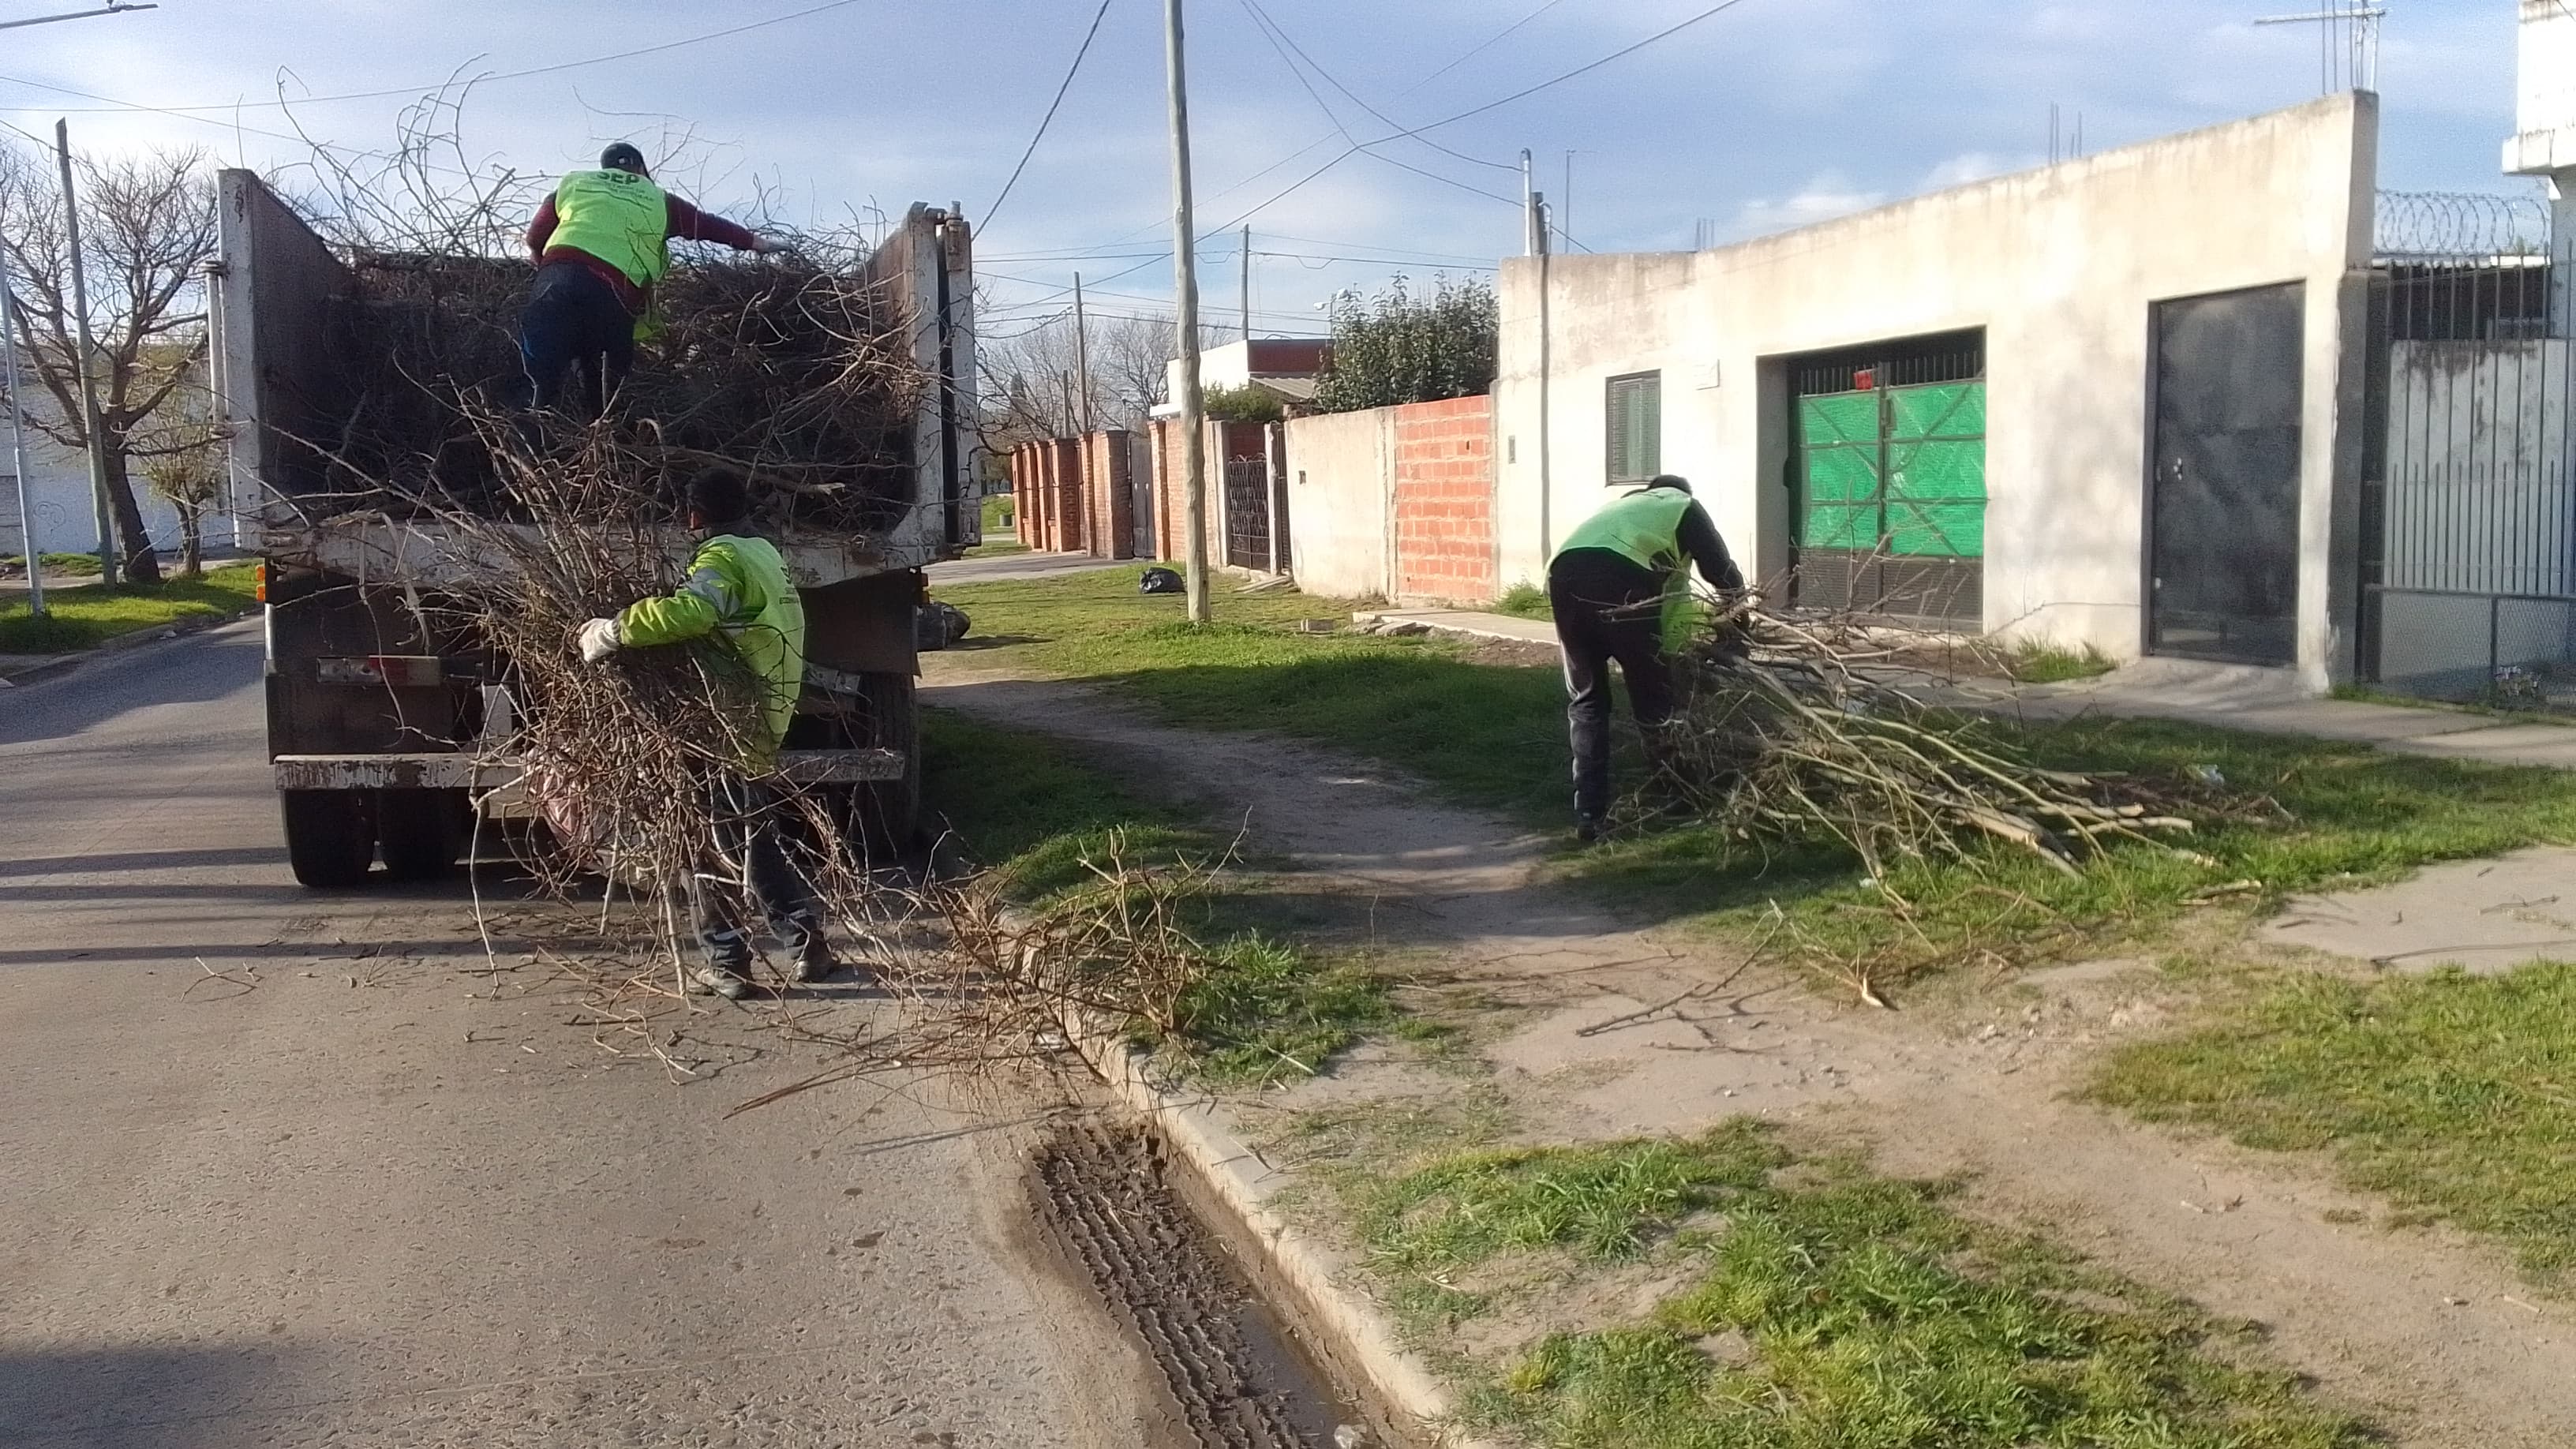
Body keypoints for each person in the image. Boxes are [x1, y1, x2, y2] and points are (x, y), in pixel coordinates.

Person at [576, 467, 837, 998]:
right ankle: (808, 945)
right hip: (762, 709)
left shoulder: (721, 557)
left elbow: (694, 611)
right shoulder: (762, 553)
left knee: (709, 843)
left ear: (694, 516)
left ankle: (726, 960)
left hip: (728, 715)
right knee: (751, 840)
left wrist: (615, 630)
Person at [1548, 474, 1743, 843]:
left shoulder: (1622, 509)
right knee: (1653, 698)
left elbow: (1672, 605)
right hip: (1621, 580)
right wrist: (1737, 632)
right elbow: (1724, 575)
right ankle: (1679, 795)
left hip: (1563, 576)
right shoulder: (1682, 505)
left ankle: (1590, 812)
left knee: (1587, 701)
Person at [521, 142, 779, 415]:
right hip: (612, 295)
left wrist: (544, 264)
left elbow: (535, 236)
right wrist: (755, 242)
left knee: (536, 381)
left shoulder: (576, 183)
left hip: (558, 279)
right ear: (641, 170)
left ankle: (530, 439)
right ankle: (595, 446)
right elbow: (706, 224)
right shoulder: (656, 197)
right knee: (605, 396)